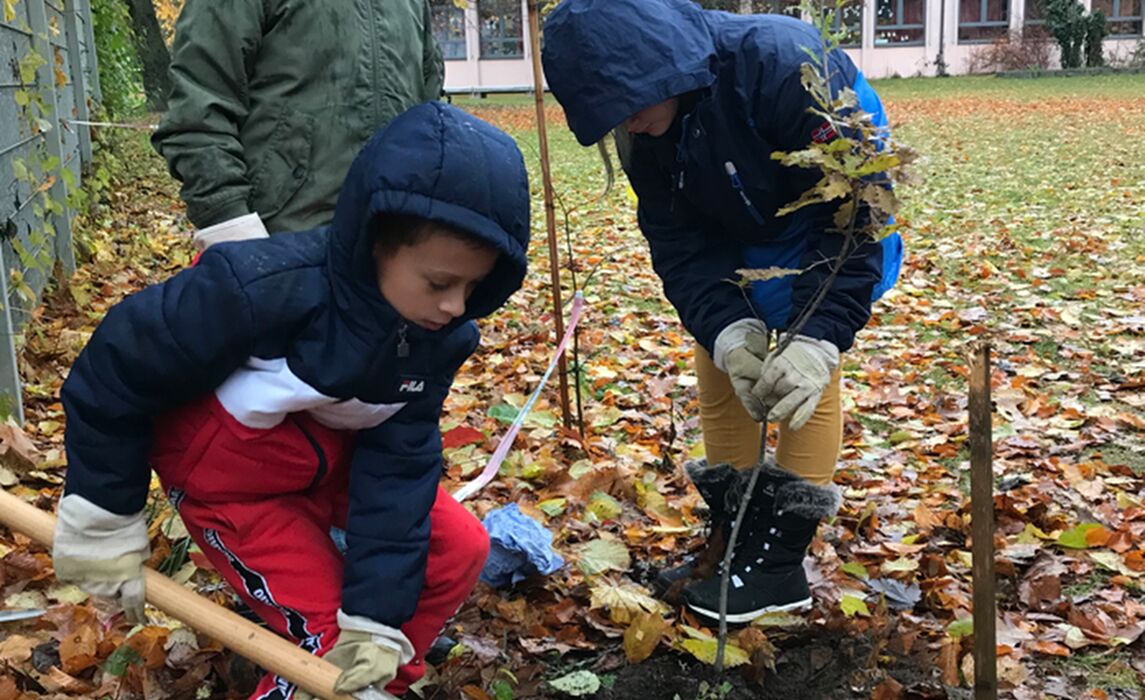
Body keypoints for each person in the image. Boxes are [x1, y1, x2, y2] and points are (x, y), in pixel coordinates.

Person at [51, 103, 530, 700]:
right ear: (376, 241)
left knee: (460, 548)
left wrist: (376, 621)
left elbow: (399, 467)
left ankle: (372, 681)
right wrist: (103, 516)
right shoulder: (256, 289)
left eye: (474, 287)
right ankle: (327, 678)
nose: (456, 307)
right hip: (234, 490)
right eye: (439, 283)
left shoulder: (437, 338)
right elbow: (115, 367)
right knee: (322, 644)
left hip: (329, 467)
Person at [541, 0, 903, 623]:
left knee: (796, 367)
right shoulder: (646, 131)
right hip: (733, 223)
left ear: (662, 67)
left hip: (819, 225)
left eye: (630, 104)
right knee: (725, 359)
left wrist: (818, 335)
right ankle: (733, 539)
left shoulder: (785, 67)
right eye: (612, 117)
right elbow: (681, 244)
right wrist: (728, 330)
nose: (627, 123)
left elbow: (854, 219)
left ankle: (778, 564)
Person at [152, 0, 445, 246]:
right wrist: (235, 233)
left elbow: (427, 112)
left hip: (391, 249)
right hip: (279, 244)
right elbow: (198, 108)